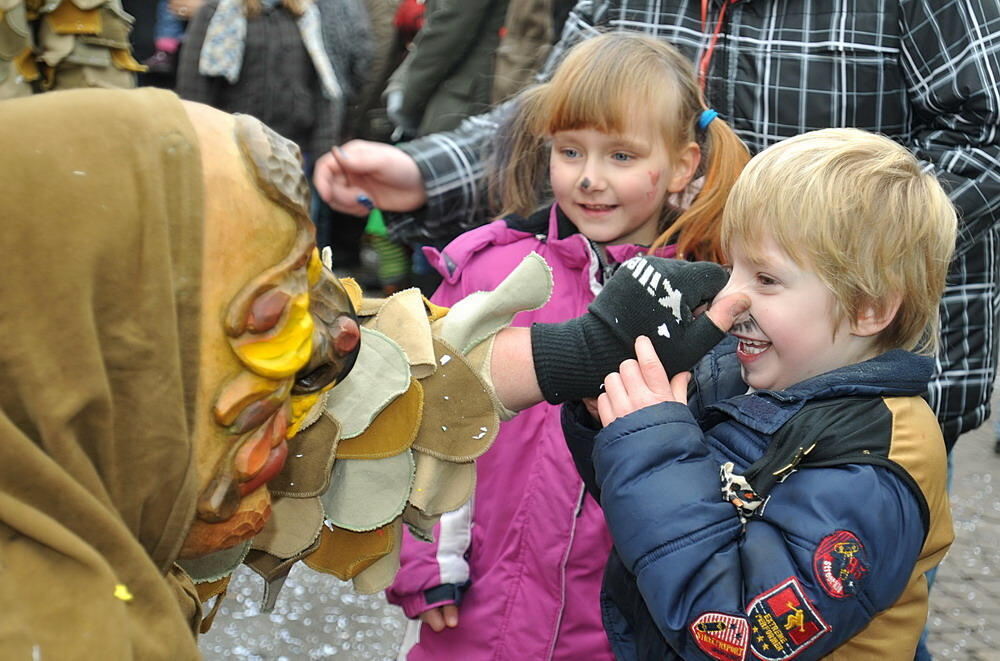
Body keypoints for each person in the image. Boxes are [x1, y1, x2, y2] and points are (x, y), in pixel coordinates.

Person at [312, 0, 1000, 471]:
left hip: (848, 388)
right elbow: (563, 106)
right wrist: (422, 171)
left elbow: (985, 136)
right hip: (681, 378)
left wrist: (828, 260)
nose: (591, 175)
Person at [385, 32, 748, 660]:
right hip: (479, 608)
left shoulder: (702, 306)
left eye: (622, 157)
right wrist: (427, 562)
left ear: (684, 166)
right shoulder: (490, 275)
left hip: (610, 625)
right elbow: (433, 426)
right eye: (571, 150)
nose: (589, 178)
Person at [563, 128, 957, 659]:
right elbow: (651, 512)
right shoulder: (740, 378)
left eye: (766, 279)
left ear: (868, 308)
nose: (731, 296)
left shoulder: (874, 467)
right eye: (735, 268)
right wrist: (611, 423)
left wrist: (649, 442)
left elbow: (741, 636)